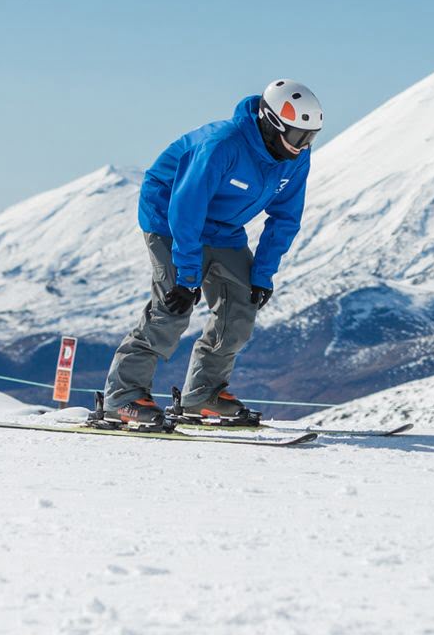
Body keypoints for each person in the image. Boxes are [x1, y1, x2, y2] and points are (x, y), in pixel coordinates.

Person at [96, 80, 321, 430]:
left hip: (224, 229)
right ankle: (122, 397)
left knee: (241, 304)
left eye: (309, 137)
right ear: (270, 123)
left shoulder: (294, 160)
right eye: (295, 136)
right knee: (173, 306)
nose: (301, 146)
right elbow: (185, 210)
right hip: (170, 218)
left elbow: (286, 218)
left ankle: (204, 395)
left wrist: (262, 274)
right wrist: (187, 277)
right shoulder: (221, 145)